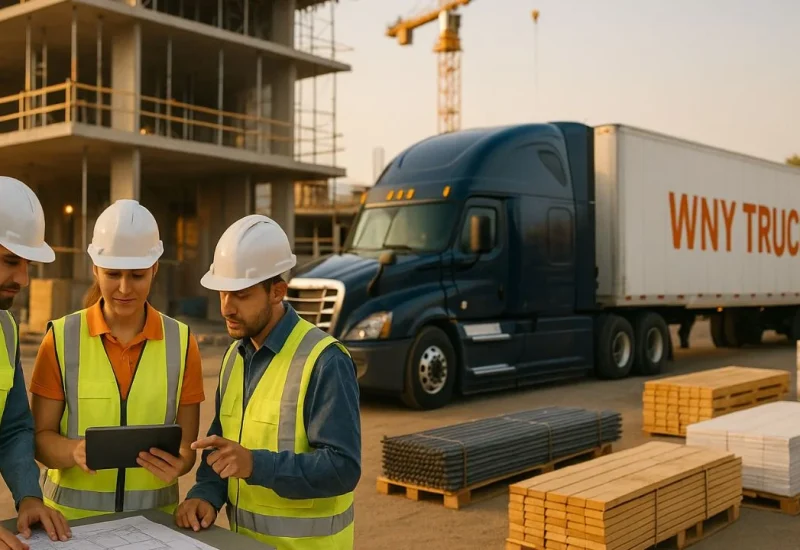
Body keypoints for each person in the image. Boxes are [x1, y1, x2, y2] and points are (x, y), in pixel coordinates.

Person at [175, 215, 361, 550]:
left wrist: (256, 464)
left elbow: (343, 468)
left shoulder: (324, 361)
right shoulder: (234, 357)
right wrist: (206, 494)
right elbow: (223, 451)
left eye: (241, 294)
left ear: (277, 291)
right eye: (222, 293)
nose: (227, 308)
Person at [29, 199, 205, 521]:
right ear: (95, 268)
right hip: (71, 530)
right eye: (112, 274)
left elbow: (186, 450)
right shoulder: (60, 339)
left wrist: (181, 464)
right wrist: (74, 451)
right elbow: (40, 440)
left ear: (154, 268)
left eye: (137, 276)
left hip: (153, 529)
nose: (124, 288)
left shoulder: (181, 343)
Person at [0, 176, 71, 550]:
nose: (23, 279)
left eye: (26, 264)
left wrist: (29, 495)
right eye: (11, 261)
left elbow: (11, 429)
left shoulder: (5, 329)